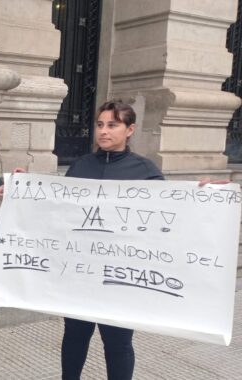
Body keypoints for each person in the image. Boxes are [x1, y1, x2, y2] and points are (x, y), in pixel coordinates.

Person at [61, 100, 164, 380]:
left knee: (117, 343)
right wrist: (19, 189)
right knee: (74, 335)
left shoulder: (145, 170)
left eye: (112, 125)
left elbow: (172, 215)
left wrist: (207, 195)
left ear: (130, 129)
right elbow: (56, 207)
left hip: (121, 276)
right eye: (99, 124)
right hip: (81, 272)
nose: (103, 131)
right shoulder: (80, 166)